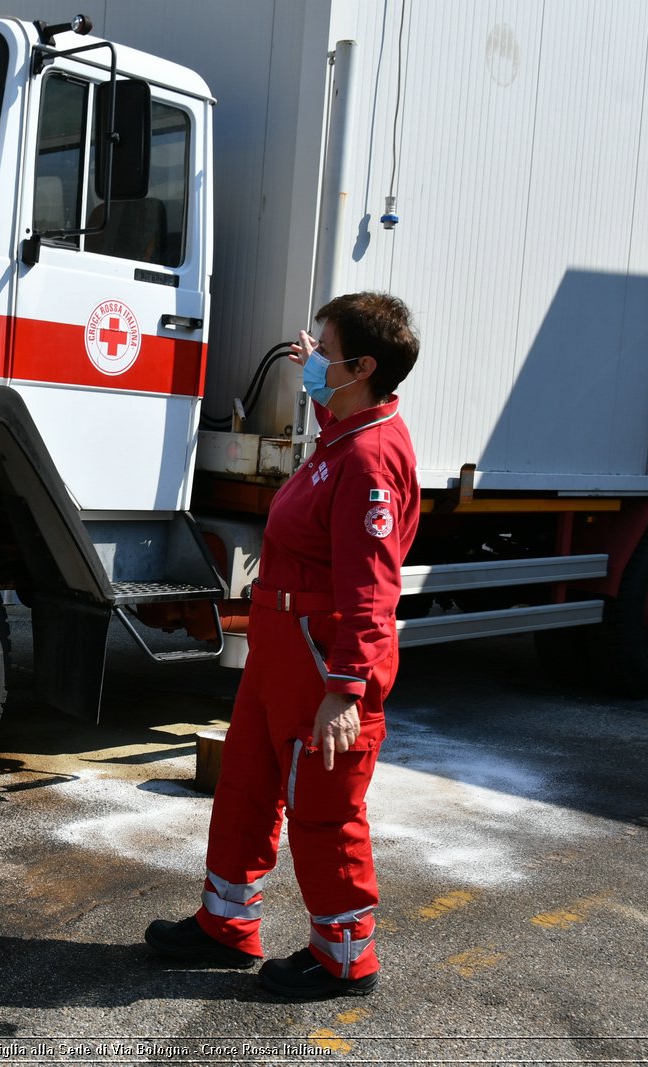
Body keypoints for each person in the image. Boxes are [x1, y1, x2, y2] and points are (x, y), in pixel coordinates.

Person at [145, 291, 420, 999]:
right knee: (246, 787)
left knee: (323, 808)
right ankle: (227, 923)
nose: (312, 361)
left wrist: (345, 690)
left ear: (361, 366)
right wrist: (320, 382)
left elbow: (373, 587)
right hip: (280, 648)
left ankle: (344, 958)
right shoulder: (346, 432)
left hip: (316, 657)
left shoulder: (369, 460)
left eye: (324, 352)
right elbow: (337, 437)